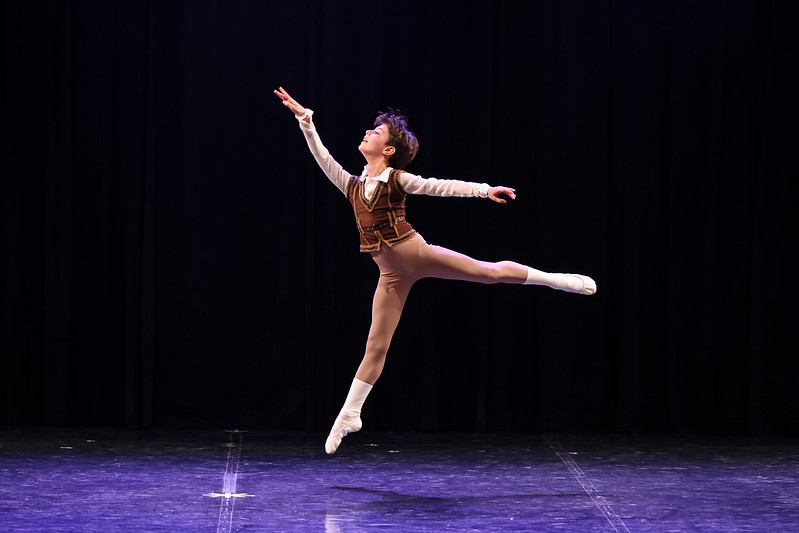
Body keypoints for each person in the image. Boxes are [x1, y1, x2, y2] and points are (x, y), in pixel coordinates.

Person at [273, 87, 596, 454]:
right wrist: (306, 121)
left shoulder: (397, 179)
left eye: (375, 132)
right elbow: (323, 158)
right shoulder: (352, 185)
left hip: (416, 253)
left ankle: (555, 280)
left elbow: (440, 186)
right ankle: (350, 413)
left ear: (389, 150)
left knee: (487, 273)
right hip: (390, 275)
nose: (367, 132)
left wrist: (483, 190)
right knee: (375, 346)